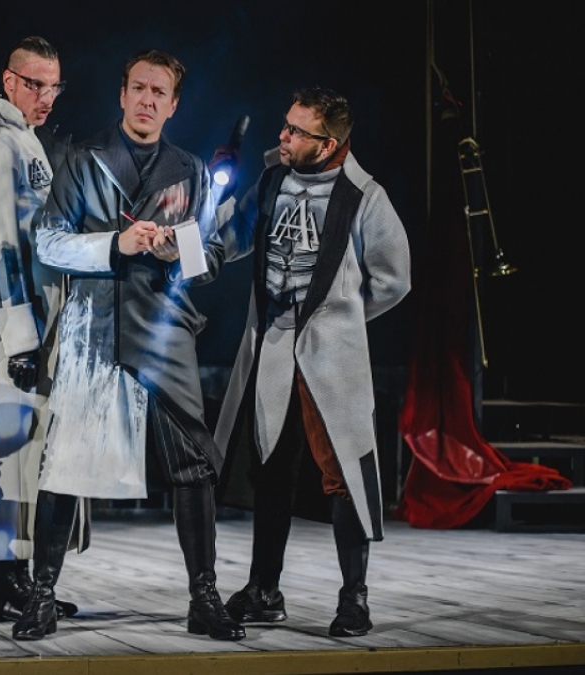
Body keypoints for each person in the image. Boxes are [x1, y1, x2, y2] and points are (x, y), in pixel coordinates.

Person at [12, 48, 246, 642]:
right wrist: (116, 244)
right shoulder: (82, 158)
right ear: (121, 95)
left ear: (173, 105)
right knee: (65, 464)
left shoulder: (191, 170)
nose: (147, 100)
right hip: (95, 326)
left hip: (165, 330)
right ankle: (41, 595)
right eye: (138, 88)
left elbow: (210, 256)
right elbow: (48, 242)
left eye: (158, 92)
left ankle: (204, 597)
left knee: (193, 464)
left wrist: (175, 252)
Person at [212, 86, 411, 637]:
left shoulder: (363, 195)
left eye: (296, 131)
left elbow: (394, 279)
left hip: (330, 355)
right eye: (285, 125)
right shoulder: (272, 180)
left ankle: (354, 598)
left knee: (343, 470)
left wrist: (342, 318)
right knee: (270, 466)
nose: (283, 136)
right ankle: (263, 587)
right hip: (275, 347)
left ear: (328, 144)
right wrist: (195, 222)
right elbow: (230, 238)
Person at [0, 36, 84, 623]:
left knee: (29, 452)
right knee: (10, 450)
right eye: (35, 84)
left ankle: (13, 580)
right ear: (9, 82)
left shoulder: (26, 140)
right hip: (25, 326)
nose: (46, 96)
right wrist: (19, 336)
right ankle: (1, 581)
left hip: (46, 321)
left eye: (54, 86)